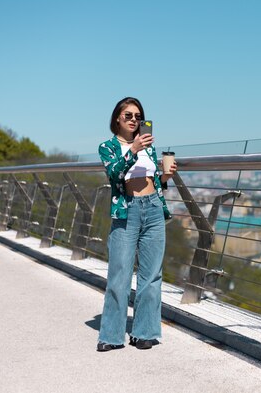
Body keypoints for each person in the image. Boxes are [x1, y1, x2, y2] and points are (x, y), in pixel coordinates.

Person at [97, 96, 177, 352]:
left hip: (153, 207)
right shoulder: (107, 147)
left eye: (138, 116)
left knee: (151, 275)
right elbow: (115, 174)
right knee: (119, 275)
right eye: (128, 115)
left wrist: (165, 175)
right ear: (117, 119)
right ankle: (111, 335)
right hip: (126, 211)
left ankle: (144, 332)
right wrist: (132, 151)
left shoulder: (149, 146)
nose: (134, 120)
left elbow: (155, 179)